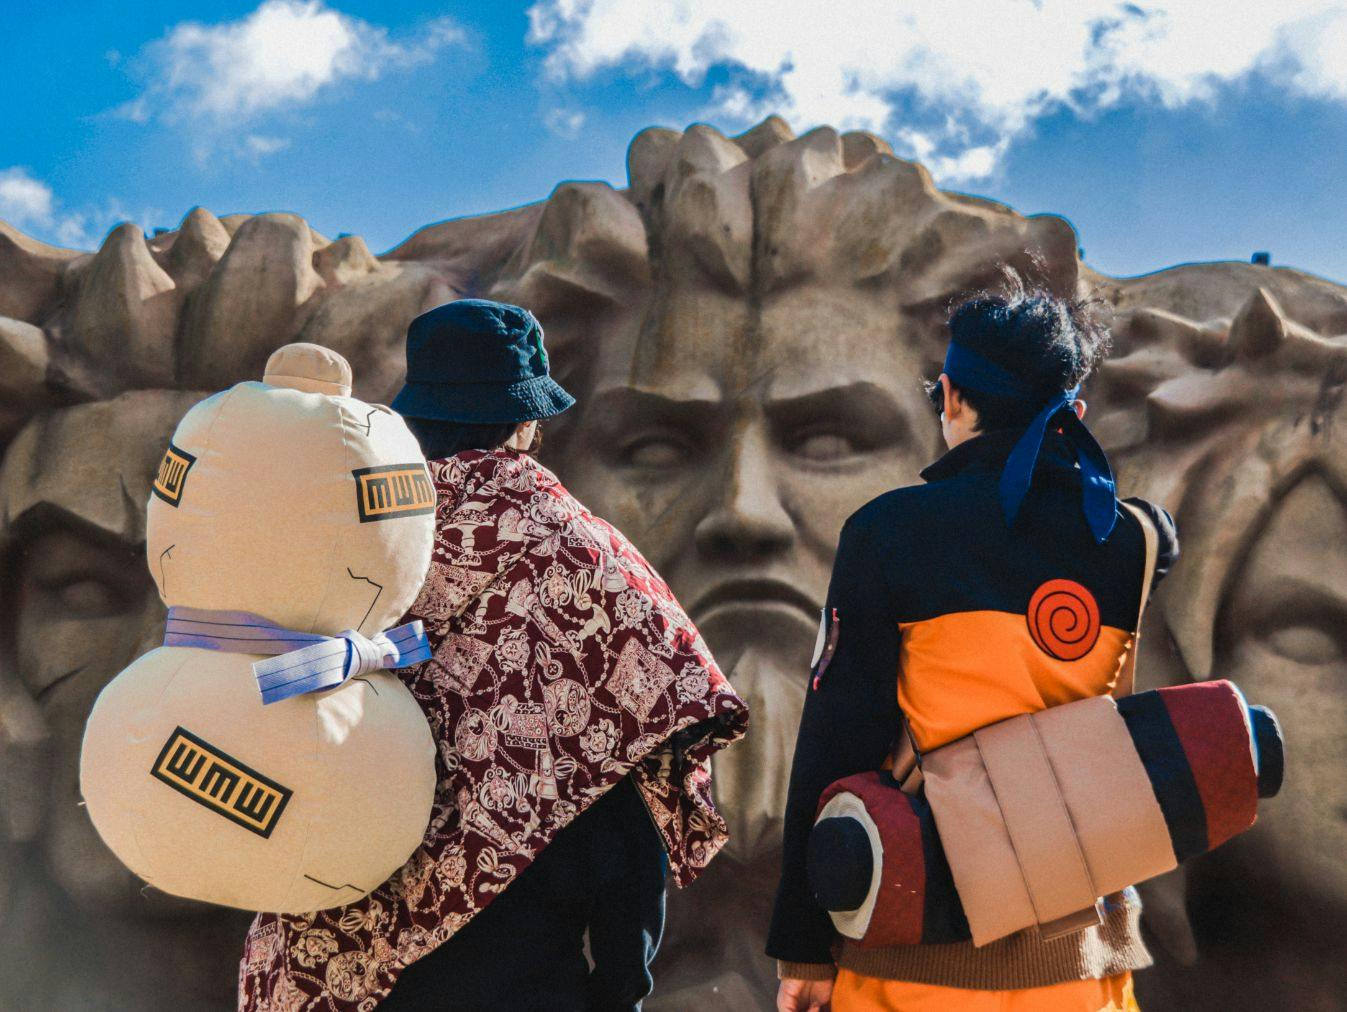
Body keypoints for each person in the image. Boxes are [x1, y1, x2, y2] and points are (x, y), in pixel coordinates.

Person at [237, 299, 748, 1010]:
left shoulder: (354, 542)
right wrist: (621, 989)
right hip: (526, 974)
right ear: (526, 423)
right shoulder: (590, 562)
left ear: (416, 417)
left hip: (341, 956)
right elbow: (635, 776)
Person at [766, 286, 1179, 1012]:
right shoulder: (1136, 541)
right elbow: (1153, 533)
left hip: (912, 948)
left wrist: (803, 944)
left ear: (951, 397)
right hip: (1080, 959)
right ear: (1073, 413)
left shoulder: (887, 531)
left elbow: (838, 737)